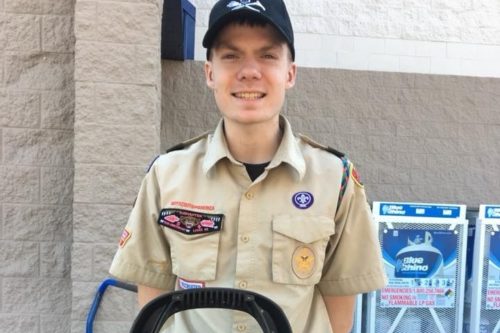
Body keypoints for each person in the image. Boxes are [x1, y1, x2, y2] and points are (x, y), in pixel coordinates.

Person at [109, 0, 387, 332]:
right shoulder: (167, 175)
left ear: (290, 73)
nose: (249, 71)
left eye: (267, 56)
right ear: (210, 73)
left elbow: (339, 304)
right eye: (231, 56)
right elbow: (154, 302)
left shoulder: (334, 179)